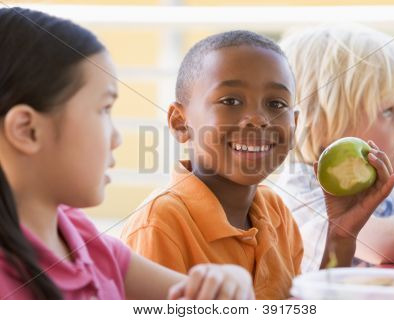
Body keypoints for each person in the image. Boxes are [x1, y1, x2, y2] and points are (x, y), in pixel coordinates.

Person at [0, 7, 254, 300]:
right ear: (27, 130)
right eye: (104, 109)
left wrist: (227, 281)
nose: (117, 138)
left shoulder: (76, 234)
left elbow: (186, 301)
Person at [121, 30, 394, 299]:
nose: (258, 118)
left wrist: (341, 235)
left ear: (294, 126)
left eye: (276, 104)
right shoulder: (160, 224)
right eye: (230, 100)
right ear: (180, 123)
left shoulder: (275, 212)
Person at [275, 25, 394, 272]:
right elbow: (392, 243)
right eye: (388, 111)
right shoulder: (301, 192)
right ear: (324, 124)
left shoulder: (387, 186)